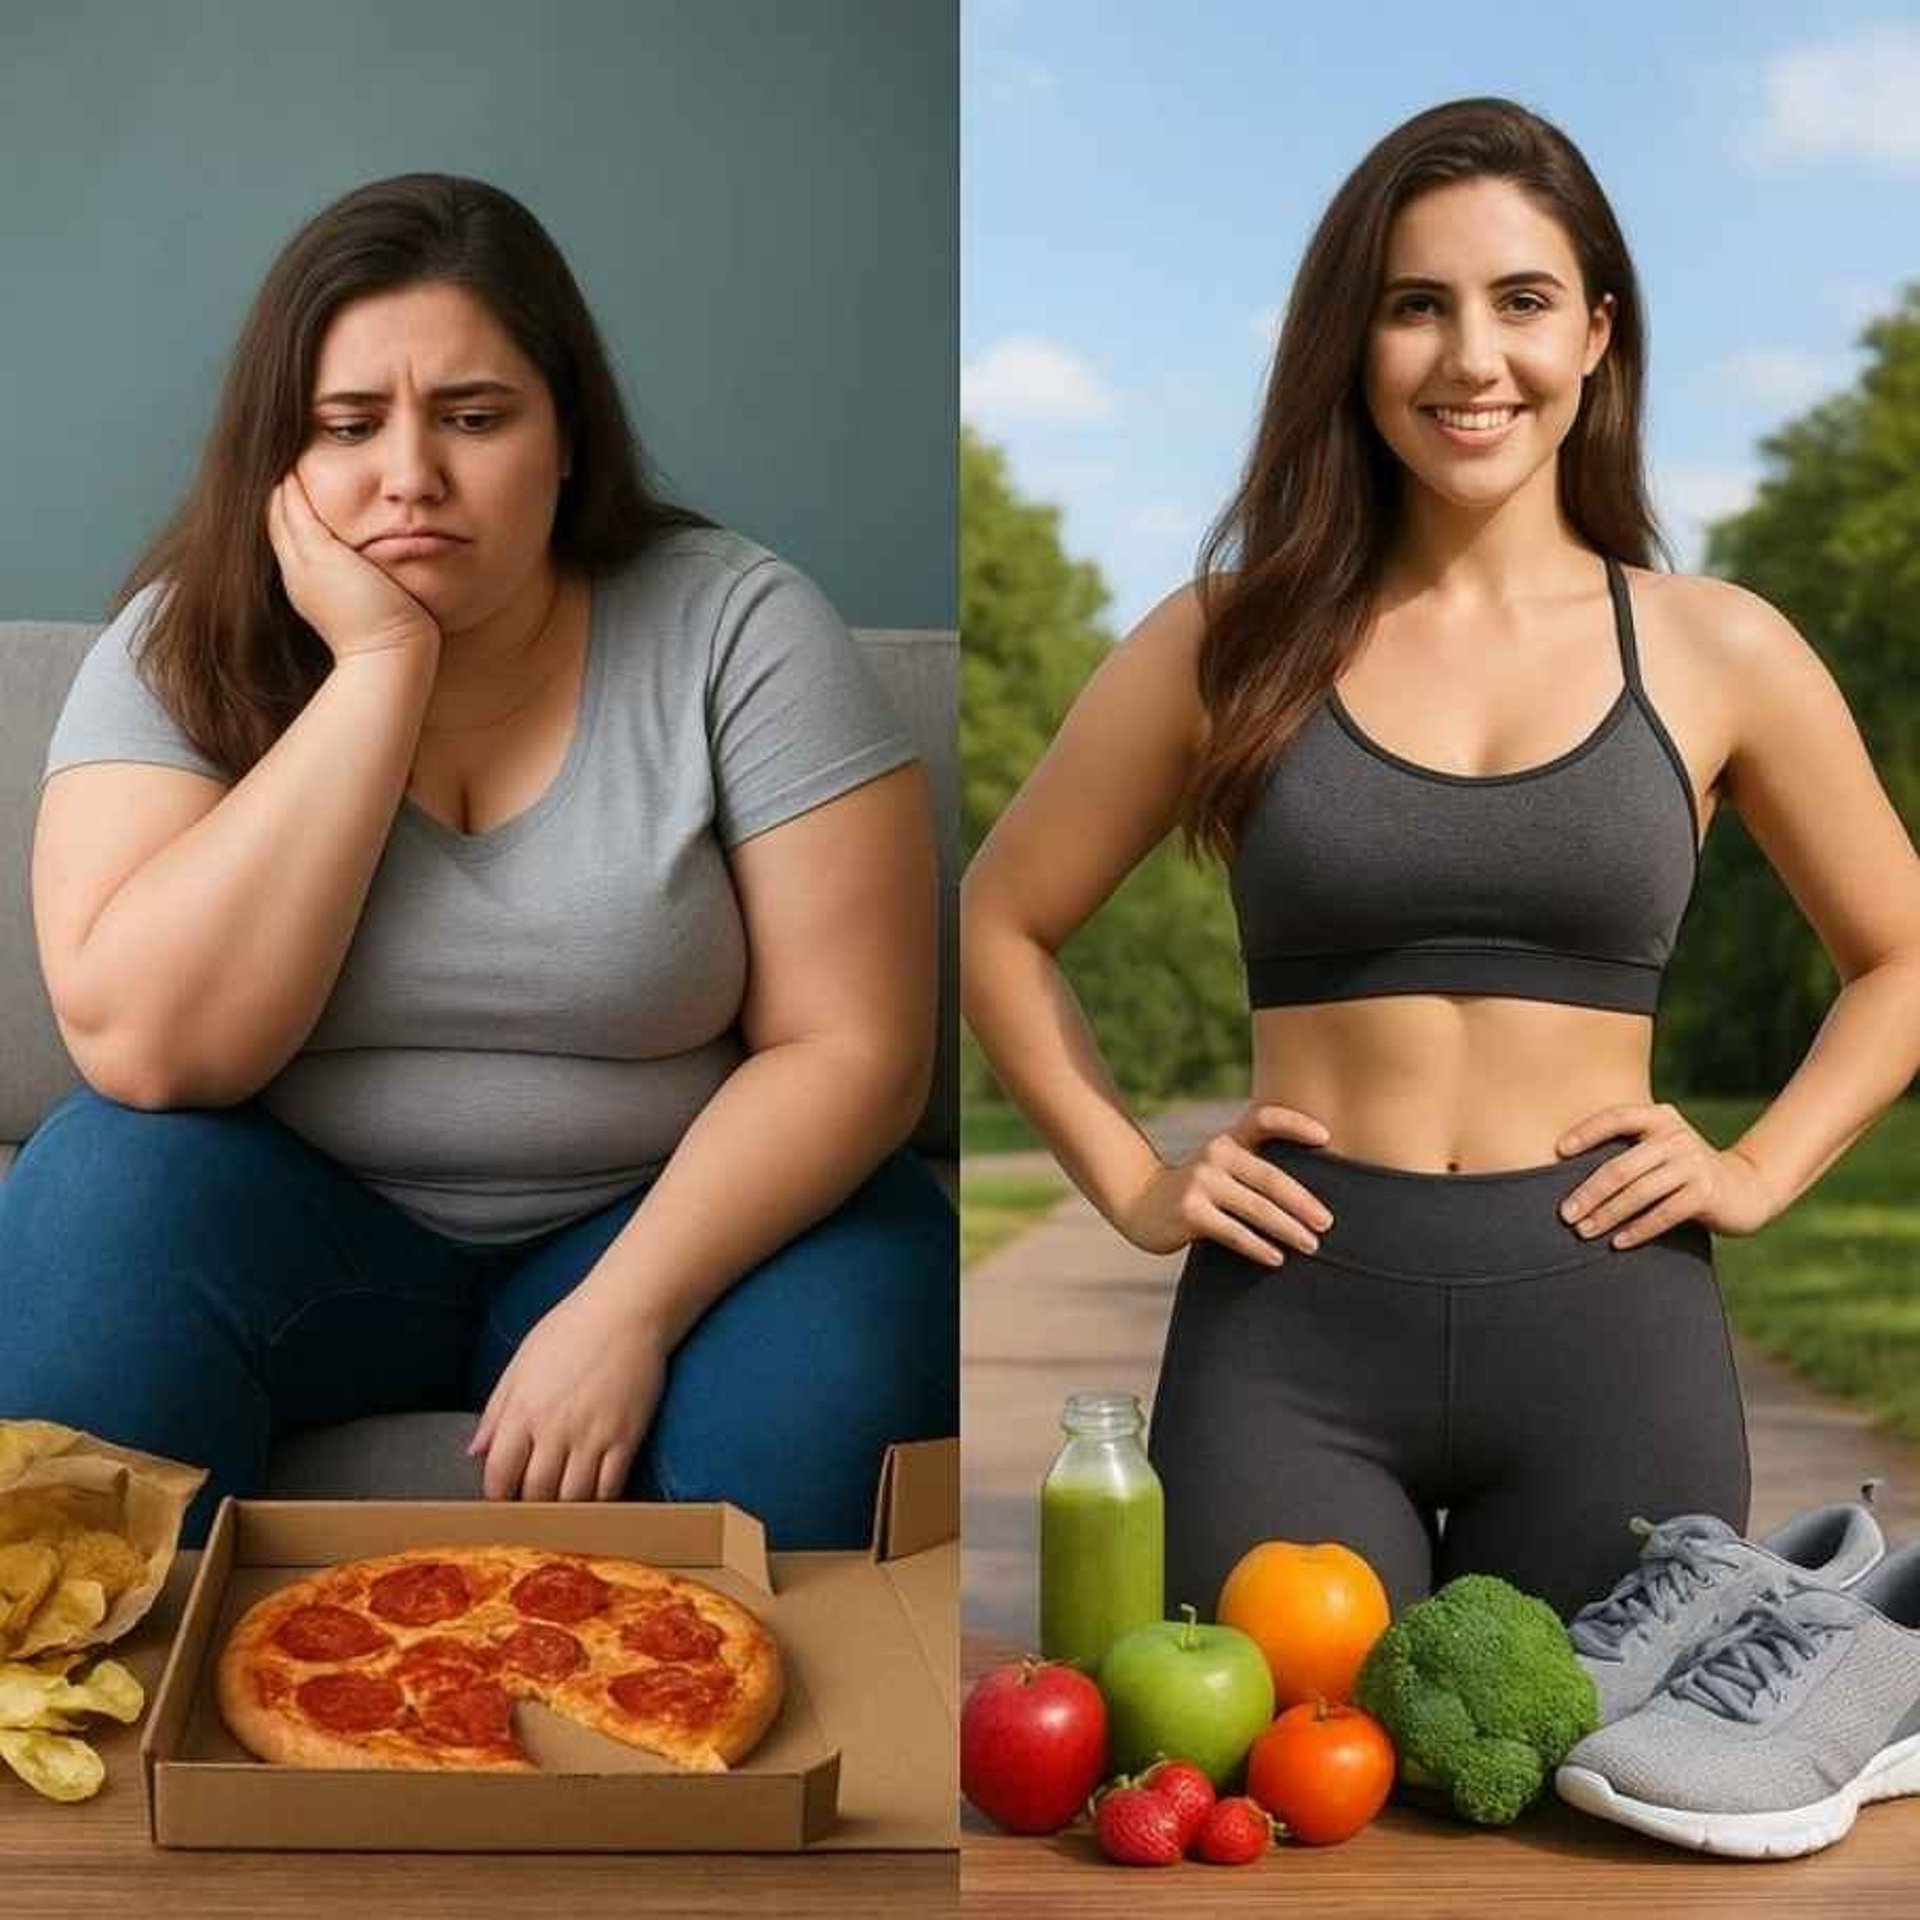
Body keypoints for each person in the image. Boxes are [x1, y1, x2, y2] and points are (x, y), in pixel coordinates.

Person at [961, 98, 1920, 1625]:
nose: (1473, 358)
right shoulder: (1227, 640)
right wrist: (1134, 1181)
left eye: (1522, 301)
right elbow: (1000, 920)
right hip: (1291, 1339)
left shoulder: (1718, 647)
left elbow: (1904, 956)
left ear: (1598, 333)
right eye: (1417, 306)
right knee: (1288, 1784)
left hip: (1613, 1336)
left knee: (1591, 1795)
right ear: (1353, 342)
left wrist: (1755, 1169)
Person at [3, 172, 957, 1551]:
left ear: (566, 437)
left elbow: (856, 1046)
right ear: (281, 463)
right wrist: (382, 667)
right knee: (90, 1198)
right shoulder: (176, 644)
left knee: (840, 1399)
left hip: (667, 1212)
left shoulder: (739, 624)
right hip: (290, 1223)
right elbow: (152, 1054)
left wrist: (626, 1310)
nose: (410, 477)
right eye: (348, 427)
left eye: (474, 417)